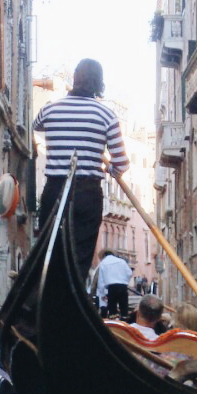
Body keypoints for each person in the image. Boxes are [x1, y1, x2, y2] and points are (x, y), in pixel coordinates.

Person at [32, 59, 129, 278]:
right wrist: (109, 170)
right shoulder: (106, 116)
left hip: (54, 190)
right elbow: (122, 163)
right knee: (80, 258)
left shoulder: (50, 109)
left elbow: (35, 126)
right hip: (87, 194)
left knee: (50, 253)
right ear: (99, 83)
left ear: (74, 79)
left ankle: (49, 302)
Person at [96, 248, 133, 319]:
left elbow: (101, 281)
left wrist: (102, 294)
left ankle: (114, 325)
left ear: (103, 255)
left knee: (112, 311)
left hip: (112, 288)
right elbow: (129, 273)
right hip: (123, 287)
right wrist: (124, 281)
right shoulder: (122, 261)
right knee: (124, 309)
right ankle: (124, 322)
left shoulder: (103, 263)